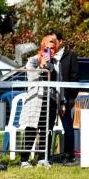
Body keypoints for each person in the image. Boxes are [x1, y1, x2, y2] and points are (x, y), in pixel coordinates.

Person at [19, 33, 60, 168]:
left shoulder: (56, 64)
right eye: (48, 48)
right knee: (31, 129)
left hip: (51, 100)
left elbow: (59, 83)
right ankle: (24, 159)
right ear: (42, 47)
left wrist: (62, 102)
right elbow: (31, 76)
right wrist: (41, 66)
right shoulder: (33, 60)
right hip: (35, 100)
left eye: (53, 48)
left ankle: (43, 158)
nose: (50, 51)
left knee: (47, 130)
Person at [54, 33, 80, 163]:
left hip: (65, 98)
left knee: (67, 126)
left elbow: (75, 77)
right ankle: (45, 155)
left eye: (54, 41)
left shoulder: (70, 56)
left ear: (60, 41)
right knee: (47, 126)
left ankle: (69, 154)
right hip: (52, 97)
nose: (52, 44)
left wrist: (70, 98)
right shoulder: (49, 55)